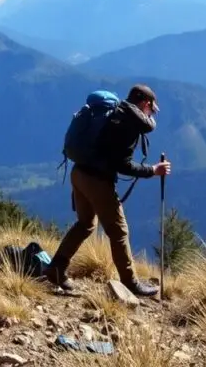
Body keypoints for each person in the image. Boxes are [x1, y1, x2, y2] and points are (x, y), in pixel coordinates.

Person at [44, 84, 171, 297]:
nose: (151, 114)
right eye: (151, 109)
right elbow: (123, 165)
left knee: (85, 224)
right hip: (97, 180)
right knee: (119, 231)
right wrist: (153, 170)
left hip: (79, 173)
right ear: (145, 104)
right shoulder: (129, 123)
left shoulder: (114, 113)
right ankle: (130, 283)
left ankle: (56, 267)